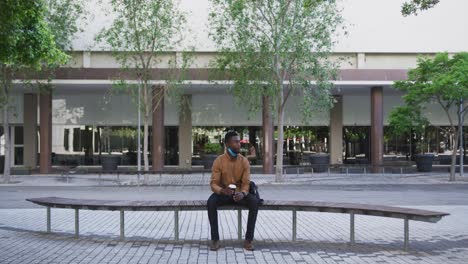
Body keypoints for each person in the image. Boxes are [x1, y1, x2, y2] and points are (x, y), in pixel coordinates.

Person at [207, 131, 260, 251]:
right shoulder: (219, 161)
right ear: (227, 144)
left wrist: (243, 193)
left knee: (254, 202)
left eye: (239, 141)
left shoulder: (244, 161)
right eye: (235, 142)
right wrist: (221, 191)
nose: (239, 144)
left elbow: (246, 183)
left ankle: (248, 240)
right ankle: (215, 239)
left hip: (240, 194)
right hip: (224, 193)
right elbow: (213, 183)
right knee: (211, 202)